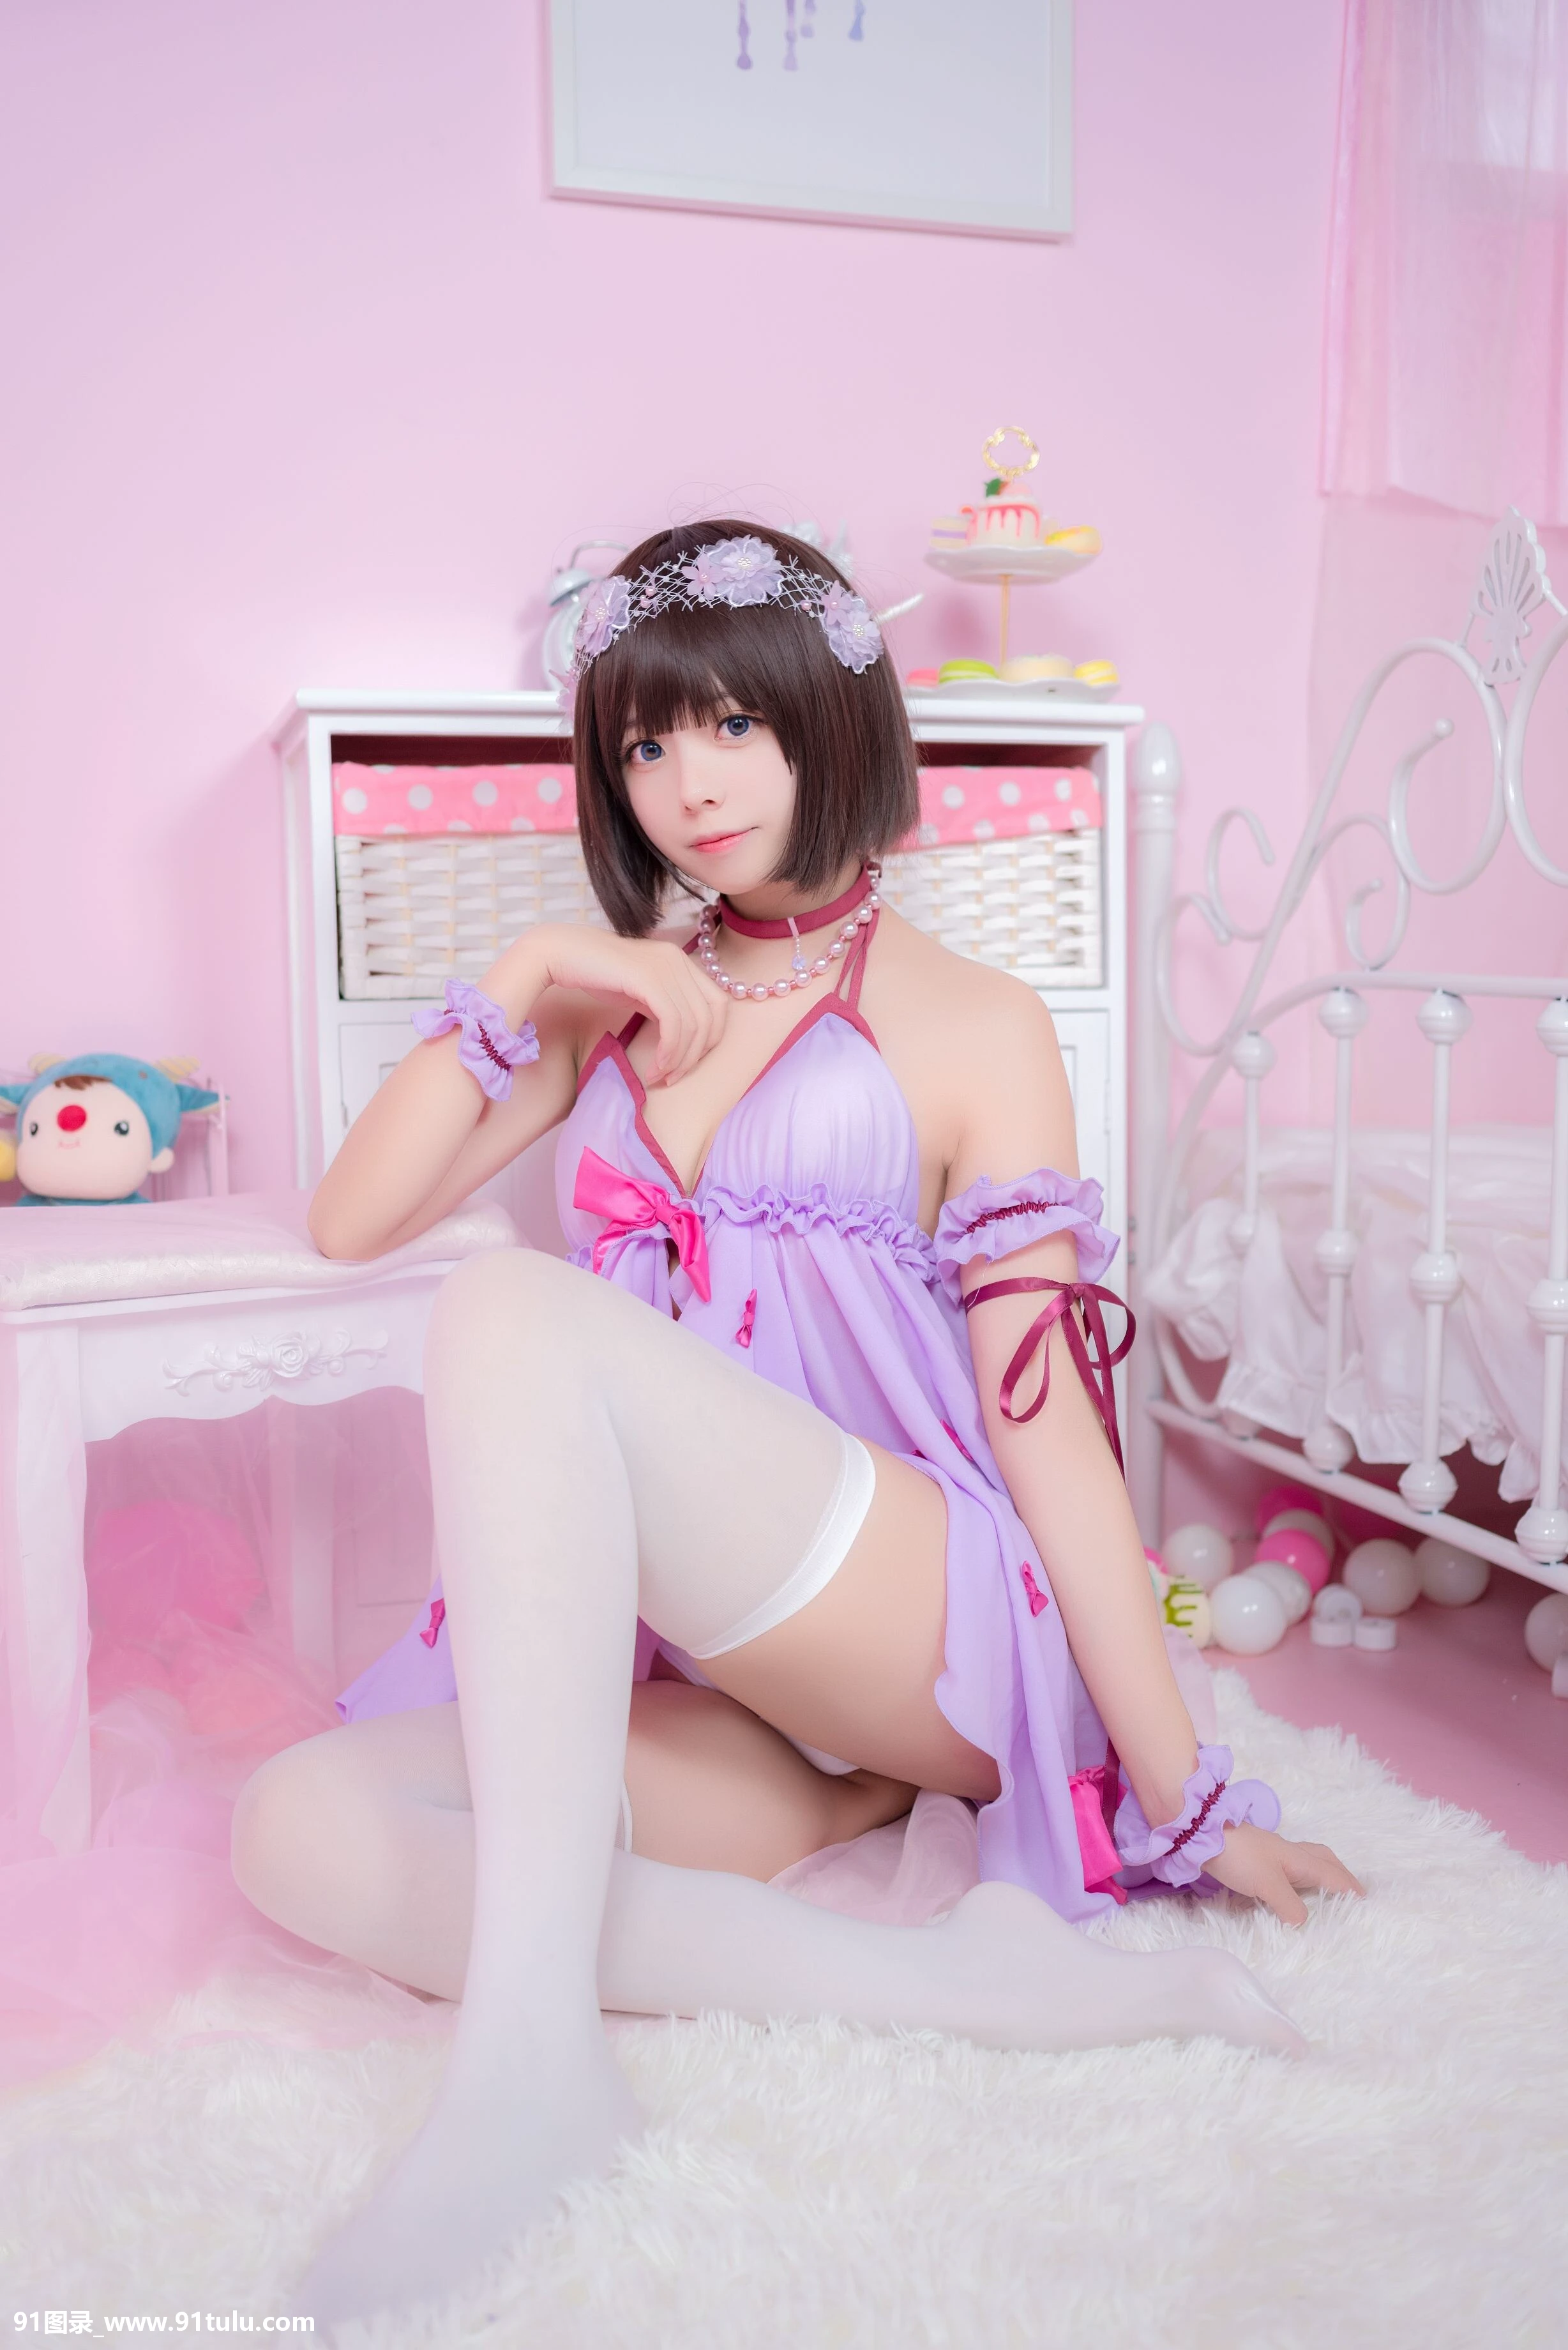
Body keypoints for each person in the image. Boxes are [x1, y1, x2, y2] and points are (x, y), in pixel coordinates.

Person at [230, 522, 1362, 2324]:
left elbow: (1051, 1431)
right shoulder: (619, 1006)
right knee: (294, 1828)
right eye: (644, 744)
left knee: (510, 1306)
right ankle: (963, 1989)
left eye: (733, 728)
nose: (688, 786)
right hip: (738, 1677)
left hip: (923, 1622)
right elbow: (350, 1215)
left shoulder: (976, 1022)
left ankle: (522, 2079)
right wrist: (532, 973)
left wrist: (1184, 1793)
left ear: (831, 725)